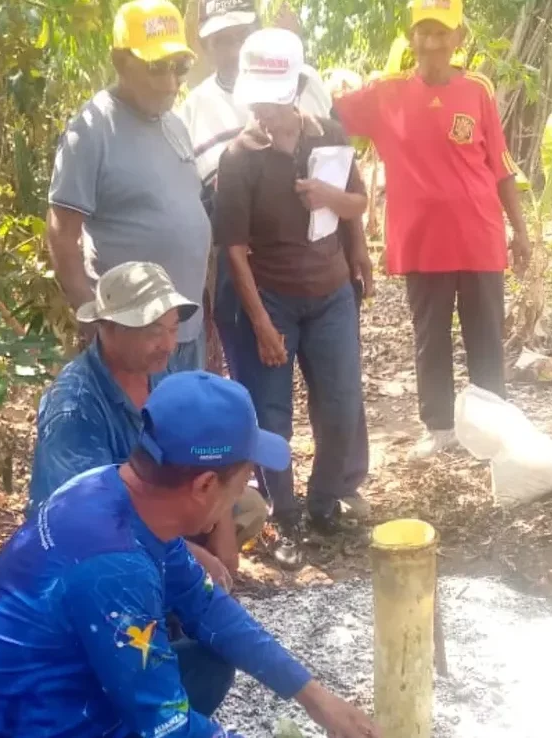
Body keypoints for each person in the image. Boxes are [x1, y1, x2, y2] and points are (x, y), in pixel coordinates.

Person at [0, 371, 383, 738]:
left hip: (48, 698)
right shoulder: (114, 570)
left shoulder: (112, 490)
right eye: (243, 479)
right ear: (205, 485)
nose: (243, 494)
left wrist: (316, 698)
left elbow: (207, 606)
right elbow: (167, 730)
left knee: (208, 664)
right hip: (22, 725)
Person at [332, 0, 531, 459]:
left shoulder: (478, 90)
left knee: (485, 334)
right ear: (411, 36)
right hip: (422, 241)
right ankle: (439, 428)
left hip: (479, 236)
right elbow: (328, 115)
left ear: (459, 38)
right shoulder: (386, 93)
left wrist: (519, 232)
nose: (432, 42)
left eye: (442, 32)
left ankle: (492, 427)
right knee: (430, 335)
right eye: (423, 31)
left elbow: (500, 167)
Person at [214, 28, 370, 570]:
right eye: (260, 98)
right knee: (272, 417)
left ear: (298, 88)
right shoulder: (240, 156)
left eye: (278, 98)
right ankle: (284, 513)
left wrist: (342, 219)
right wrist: (259, 322)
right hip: (274, 297)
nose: (268, 110)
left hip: (330, 296)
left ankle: (324, 503)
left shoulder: (328, 135)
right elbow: (234, 249)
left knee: (342, 402)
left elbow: (357, 202)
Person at [28, 261, 268, 584]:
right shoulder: (73, 409)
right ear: (108, 328)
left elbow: (204, 446)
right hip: (100, 540)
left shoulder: (159, 369)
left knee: (245, 503)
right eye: (154, 333)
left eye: (172, 329)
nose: (168, 345)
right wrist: (188, 557)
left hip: (161, 509)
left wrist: (222, 525)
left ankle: (173, 583)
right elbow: (88, 517)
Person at [48, 0, 210, 371]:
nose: (171, 83)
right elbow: (61, 236)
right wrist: (93, 322)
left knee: (185, 430)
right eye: (156, 68)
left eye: (179, 67)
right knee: (139, 430)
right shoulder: (91, 130)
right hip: (135, 346)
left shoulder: (175, 124)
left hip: (187, 335)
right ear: (121, 62)